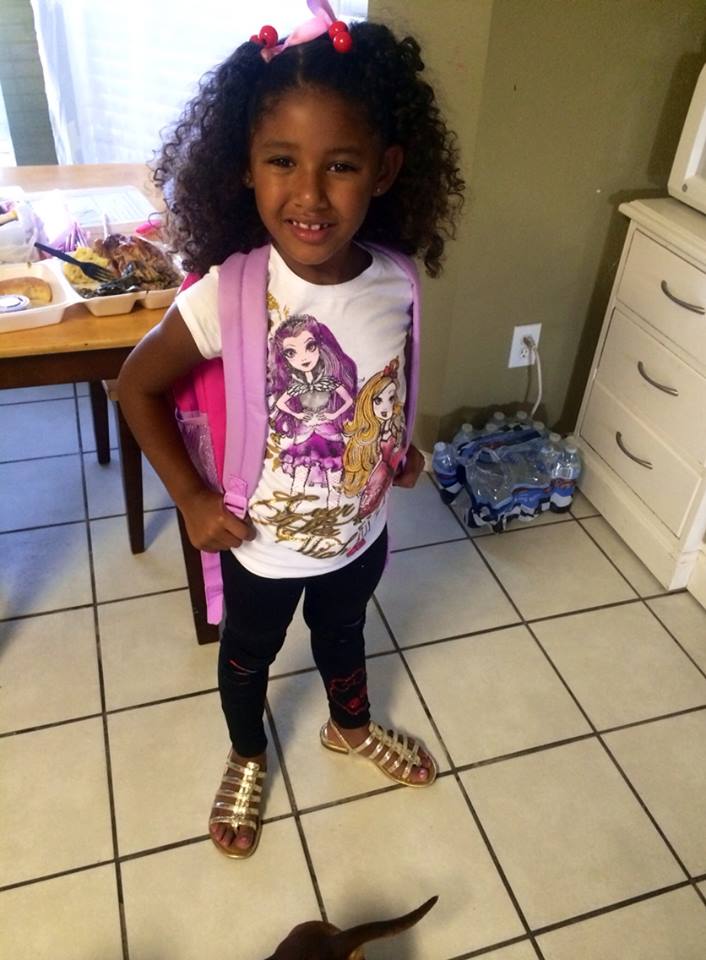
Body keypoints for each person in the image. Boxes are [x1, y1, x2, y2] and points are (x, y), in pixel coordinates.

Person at [118, 0, 464, 859]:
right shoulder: (228, 294)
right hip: (262, 549)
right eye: (282, 161)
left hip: (362, 535)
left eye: (340, 165)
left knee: (344, 634)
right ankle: (247, 753)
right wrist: (190, 497)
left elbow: (382, 388)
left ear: (384, 170)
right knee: (249, 657)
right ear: (246, 166)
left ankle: (350, 726)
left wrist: (399, 450)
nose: (309, 194)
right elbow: (135, 387)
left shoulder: (396, 282)